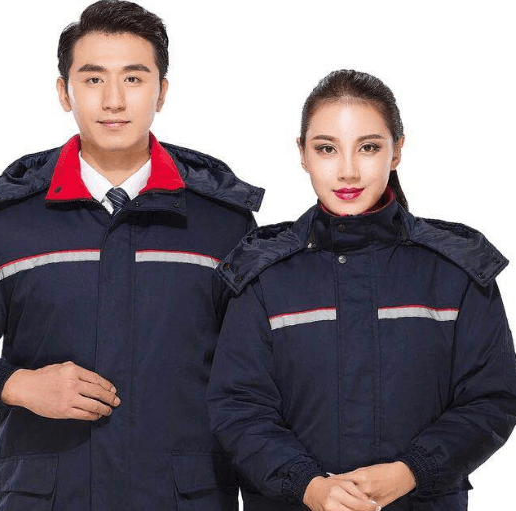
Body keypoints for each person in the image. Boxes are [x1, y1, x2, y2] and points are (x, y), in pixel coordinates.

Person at [0, 1, 263, 510]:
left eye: (133, 78)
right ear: (64, 92)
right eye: (93, 79)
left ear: (162, 91)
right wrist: (17, 384)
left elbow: (264, 381)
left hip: (183, 498)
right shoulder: (8, 224)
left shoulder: (220, 226)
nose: (114, 100)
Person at [206, 69, 516, 511]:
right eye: (326, 149)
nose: (348, 171)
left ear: (397, 150)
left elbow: (491, 399)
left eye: (368, 147)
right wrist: (309, 486)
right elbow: (239, 406)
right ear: (302, 154)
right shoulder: (263, 275)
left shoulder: (455, 271)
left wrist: (411, 472)